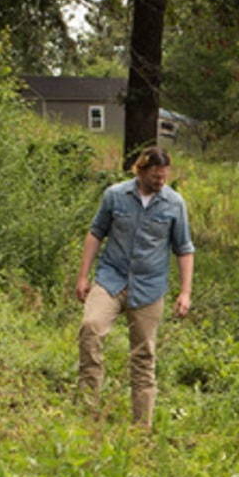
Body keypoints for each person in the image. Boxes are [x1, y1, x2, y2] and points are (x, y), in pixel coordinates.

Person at [75, 147, 195, 426]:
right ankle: (85, 411)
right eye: (155, 176)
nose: (159, 182)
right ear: (140, 171)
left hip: (149, 287)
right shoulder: (115, 196)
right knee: (90, 328)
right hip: (111, 278)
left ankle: (141, 428)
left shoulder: (174, 204)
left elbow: (184, 249)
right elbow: (96, 233)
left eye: (164, 177)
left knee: (144, 356)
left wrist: (185, 292)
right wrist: (83, 276)